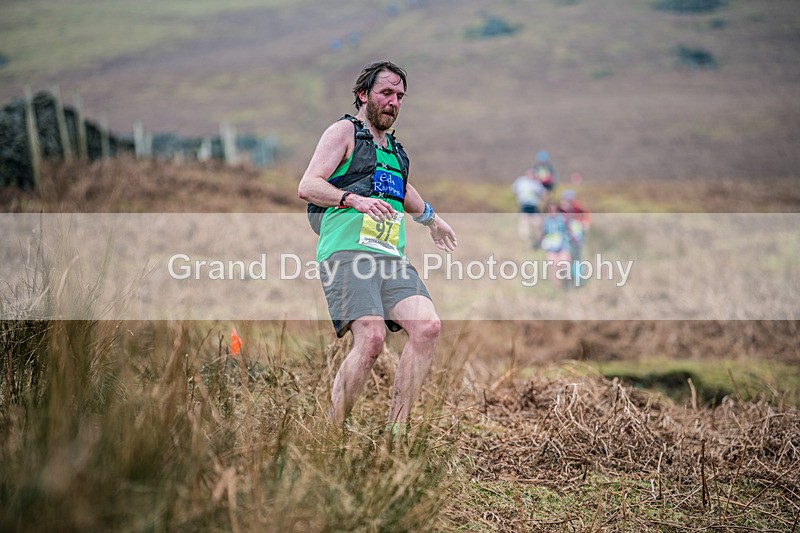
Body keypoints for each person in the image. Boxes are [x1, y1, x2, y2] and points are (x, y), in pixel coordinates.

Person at [297, 61, 458, 434]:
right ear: (363, 94)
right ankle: (332, 434)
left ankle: (397, 432)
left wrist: (433, 220)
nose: (394, 101)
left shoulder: (395, 150)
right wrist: (353, 199)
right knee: (370, 339)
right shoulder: (344, 132)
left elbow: (403, 188)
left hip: (389, 257)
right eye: (386, 93)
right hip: (347, 252)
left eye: (400, 96)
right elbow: (308, 185)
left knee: (427, 327)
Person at [536, 200, 572, 290]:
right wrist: (538, 242)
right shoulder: (545, 221)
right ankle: (556, 288)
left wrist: (572, 237)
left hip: (563, 245)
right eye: (550, 210)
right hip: (551, 248)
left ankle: (566, 284)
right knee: (553, 266)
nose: (553, 212)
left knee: (564, 265)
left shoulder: (563, 219)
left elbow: (569, 230)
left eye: (554, 210)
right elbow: (542, 233)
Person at [511, 167, 546, 241]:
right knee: (524, 222)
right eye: (530, 173)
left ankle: (540, 237)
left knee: (538, 222)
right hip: (524, 204)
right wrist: (518, 196)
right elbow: (514, 188)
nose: (531, 175)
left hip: (533, 205)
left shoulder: (536, 183)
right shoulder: (521, 181)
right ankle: (524, 239)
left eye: (532, 173)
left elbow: (543, 193)